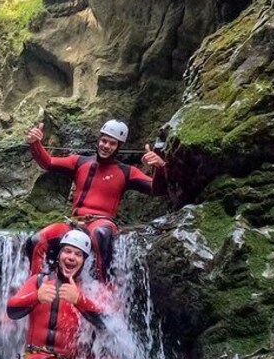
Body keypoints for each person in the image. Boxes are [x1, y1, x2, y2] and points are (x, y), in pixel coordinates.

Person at [25, 120, 168, 280]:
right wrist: (35, 143)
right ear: (98, 140)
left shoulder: (127, 172)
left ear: (118, 146)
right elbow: (48, 162)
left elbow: (158, 190)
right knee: (36, 240)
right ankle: (34, 284)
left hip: (101, 223)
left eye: (112, 143)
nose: (106, 146)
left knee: (100, 234)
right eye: (104, 140)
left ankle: (104, 288)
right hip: (74, 223)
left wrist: (160, 167)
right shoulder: (79, 162)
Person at [6, 230, 112, 359]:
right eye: (67, 252)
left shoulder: (88, 290)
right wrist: (36, 297)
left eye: (78, 254)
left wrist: (80, 300)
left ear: (84, 261)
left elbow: (108, 324)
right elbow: (12, 310)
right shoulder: (39, 282)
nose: (71, 258)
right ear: (59, 254)